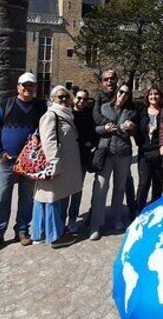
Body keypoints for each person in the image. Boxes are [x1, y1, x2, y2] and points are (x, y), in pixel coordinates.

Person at [0, 72, 48, 253]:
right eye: (24, 86)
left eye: (32, 86)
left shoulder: (41, 107)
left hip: (30, 163)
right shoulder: (6, 105)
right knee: (1, 198)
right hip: (8, 161)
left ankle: (22, 230)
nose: (28, 89)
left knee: (27, 198)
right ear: (18, 87)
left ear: (36, 88)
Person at [31, 86, 83, 248]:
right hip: (56, 165)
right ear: (53, 99)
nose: (64, 100)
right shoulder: (51, 115)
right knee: (51, 199)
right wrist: (54, 165)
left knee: (47, 198)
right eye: (60, 97)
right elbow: (49, 141)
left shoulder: (66, 114)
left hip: (64, 164)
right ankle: (55, 236)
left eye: (66, 97)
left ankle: (39, 233)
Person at [89, 82, 138, 240]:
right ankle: (95, 225)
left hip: (123, 153)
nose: (123, 95)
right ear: (117, 92)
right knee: (101, 187)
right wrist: (105, 129)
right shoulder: (104, 108)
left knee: (120, 187)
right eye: (121, 92)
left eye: (127, 93)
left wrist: (131, 127)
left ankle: (117, 219)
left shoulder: (131, 111)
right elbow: (95, 129)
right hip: (106, 152)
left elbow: (135, 130)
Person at [67, 89, 96, 234]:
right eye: (79, 98)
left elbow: (93, 133)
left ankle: (72, 219)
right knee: (65, 190)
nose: (81, 102)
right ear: (74, 98)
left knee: (77, 190)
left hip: (82, 157)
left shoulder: (89, 115)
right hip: (67, 158)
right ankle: (61, 219)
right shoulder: (67, 114)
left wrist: (90, 143)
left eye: (84, 100)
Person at [136, 86, 163, 210]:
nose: (153, 97)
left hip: (160, 151)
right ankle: (138, 211)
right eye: (151, 94)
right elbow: (137, 131)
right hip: (144, 152)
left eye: (156, 94)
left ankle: (155, 209)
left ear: (160, 97)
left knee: (158, 182)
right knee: (143, 183)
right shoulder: (142, 112)